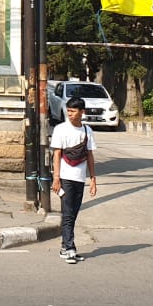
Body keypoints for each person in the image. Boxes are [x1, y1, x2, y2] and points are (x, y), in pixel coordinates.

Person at [50, 96, 97, 264]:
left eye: (73, 111)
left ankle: (66, 247)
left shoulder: (87, 131)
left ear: (82, 112)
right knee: (68, 214)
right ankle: (69, 248)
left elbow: (89, 155)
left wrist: (93, 179)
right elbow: (57, 154)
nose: (69, 114)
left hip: (79, 178)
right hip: (65, 177)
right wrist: (56, 178)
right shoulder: (61, 129)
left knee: (73, 214)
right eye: (68, 111)